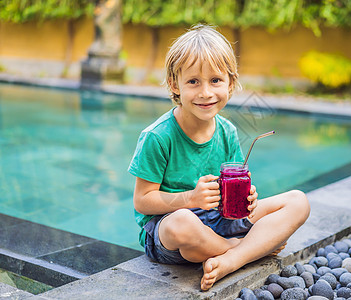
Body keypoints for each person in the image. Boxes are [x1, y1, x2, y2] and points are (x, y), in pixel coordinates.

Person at [128, 24, 310, 291]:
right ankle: (241, 250)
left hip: (219, 218)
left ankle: (231, 260)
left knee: (298, 202)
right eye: (193, 81)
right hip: (173, 231)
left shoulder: (227, 131)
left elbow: (236, 185)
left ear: (230, 83)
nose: (205, 92)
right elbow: (142, 202)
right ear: (174, 84)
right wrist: (190, 198)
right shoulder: (158, 136)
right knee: (182, 223)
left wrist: (247, 199)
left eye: (215, 80)